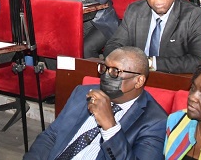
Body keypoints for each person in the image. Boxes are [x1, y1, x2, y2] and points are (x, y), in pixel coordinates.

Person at [25, 47, 166, 160]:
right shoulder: (82, 93)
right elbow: (51, 136)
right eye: (104, 68)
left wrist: (111, 128)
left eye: (115, 72)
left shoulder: (155, 122)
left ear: (139, 81)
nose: (106, 76)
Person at [104, 0, 201, 73]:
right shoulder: (135, 10)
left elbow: (200, 61)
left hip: (172, 78)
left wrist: (149, 63)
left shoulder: (193, 15)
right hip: (135, 76)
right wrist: (130, 62)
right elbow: (112, 46)